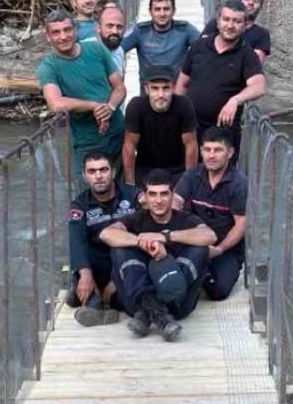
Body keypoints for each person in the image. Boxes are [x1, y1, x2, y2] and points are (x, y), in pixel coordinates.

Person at [100, 169, 216, 341]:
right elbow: (106, 234)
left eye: (164, 194)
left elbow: (210, 236)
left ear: (172, 195)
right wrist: (143, 241)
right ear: (145, 197)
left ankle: (149, 312)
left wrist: (165, 237)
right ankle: (158, 314)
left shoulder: (185, 219)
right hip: (138, 302)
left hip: (178, 303)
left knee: (201, 249)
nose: (159, 200)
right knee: (119, 249)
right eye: (153, 194)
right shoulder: (135, 219)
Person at [37, 9, 125, 181]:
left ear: (76, 30)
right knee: (90, 192)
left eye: (67, 30)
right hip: (87, 142)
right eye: (56, 32)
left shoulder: (96, 49)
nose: (63, 36)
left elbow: (119, 88)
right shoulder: (48, 68)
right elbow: (55, 104)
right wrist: (94, 106)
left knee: (123, 189)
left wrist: (110, 107)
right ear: (48, 37)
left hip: (118, 134)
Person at [176, 0, 265, 160]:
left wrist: (235, 100)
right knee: (186, 172)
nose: (230, 25)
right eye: (226, 19)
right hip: (191, 128)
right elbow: (182, 83)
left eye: (237, 21)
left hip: (223, 133)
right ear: (217, 21)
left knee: (220, 175)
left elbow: (259, 86)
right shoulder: (198, 46)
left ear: (245, 26)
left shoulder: (247, 55)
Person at [67, 150, 142, 326]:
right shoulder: (79, 205)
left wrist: (116, 281)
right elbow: (77, 241)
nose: (98, 176)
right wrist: (86, 275)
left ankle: (101, 304)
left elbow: (144, 235)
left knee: (126, 300)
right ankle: (91, 299)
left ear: (113, 172)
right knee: (84, 272)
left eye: (103, 170)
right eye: (92, 171)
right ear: (85, 176)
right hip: (98, 266)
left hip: (127, 264)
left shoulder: (133, 197)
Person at [172, 127, 247, 301]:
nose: (211, 156)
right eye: (207, 150)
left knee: (219, 290)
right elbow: (175, 201)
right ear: (201, 151)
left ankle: (202, 273)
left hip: (225, 249)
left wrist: (219, 249)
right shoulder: (192, 175)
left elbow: (241, 225)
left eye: (217, 150)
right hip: (194, 242)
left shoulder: (239, 184)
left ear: (230, 153)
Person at [122, 65, 198, 188]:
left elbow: (191, 146)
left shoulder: (184, 105)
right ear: (146, 89)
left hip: (177, 170)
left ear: (173, 88)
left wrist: (189, 183)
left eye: (166, 88)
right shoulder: (136, 107)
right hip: (145, 169)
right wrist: (130, 185)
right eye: (155, 88)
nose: (161, 94)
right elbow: (129, 147)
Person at [121, 0, 200, 85]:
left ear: (174, 11)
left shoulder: (185, 30)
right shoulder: (139, 31)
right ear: (150, 11)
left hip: (177, 89)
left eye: (166, 9)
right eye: (157, 9)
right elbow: (117, 50)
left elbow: (204, 49)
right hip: (149, 89)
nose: (162, 14)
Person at [201, 0, 270, 63]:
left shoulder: (262, 34)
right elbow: (201, 50)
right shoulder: (217, 24)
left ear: (260, 7)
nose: (251, 3)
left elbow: (255, 63)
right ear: (239, 1)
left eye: (256, 1)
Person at [81, 3, 125, 76]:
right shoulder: (83, 50)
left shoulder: (119, 51)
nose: (115, 31)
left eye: (119, 27)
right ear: (98, 28)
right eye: (110, 26)